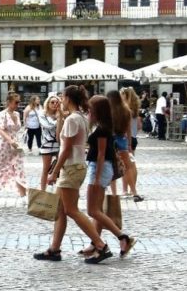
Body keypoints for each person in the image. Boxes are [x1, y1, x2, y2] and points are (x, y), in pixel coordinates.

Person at [36, 85, 105, 262]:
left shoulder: (73, 119)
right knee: (59, 210)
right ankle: (54, 249)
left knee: (72, 210)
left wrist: (54, 172)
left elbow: (65, 149)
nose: (61, 100)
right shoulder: (80, 117)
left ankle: (100, 245)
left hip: (71, 168)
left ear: (68, 99)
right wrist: (60, 117)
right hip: (75, 166)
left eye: (63, 97)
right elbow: (61, 138)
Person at [73, 95, 131, 261]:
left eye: (91, 108)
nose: (88, 110)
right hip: (99, 167)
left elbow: (101, 154)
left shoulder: (103, 128)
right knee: (96, 210)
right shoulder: (102, 126)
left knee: (93, 210)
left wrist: (97, 178)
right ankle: (96, 243)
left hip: (99, 168)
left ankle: (121, 237)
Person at [0, 92, 28, 198]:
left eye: (19, 102)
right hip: (3, 145)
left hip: (15, 145)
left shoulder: (17, 114)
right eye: (16, 102)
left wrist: (15, 141)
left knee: (19, 168)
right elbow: (0, 129)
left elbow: (17, 129)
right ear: (9, 102)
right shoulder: (2, 114)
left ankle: (23, 196)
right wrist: (10, 141)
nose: (18, 104)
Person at [119, 86, 143, 201]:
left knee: (126, 166)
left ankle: (126, 190)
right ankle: (131, 188)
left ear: (125, 96)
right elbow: (139, 126)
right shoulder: (134, 109)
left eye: (121, 94)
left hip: (126, 139)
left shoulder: (124, 109)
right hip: (133, 138)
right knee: (132, 165)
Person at [36, 95, 62, 191]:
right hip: (47, 143)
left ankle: (52, 186)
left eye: (57, 102)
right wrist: (59, 119)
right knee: (46, 168)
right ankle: (42, 190)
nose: (55, 104)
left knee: (59, 168)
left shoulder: (61, 114)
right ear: (47, 103)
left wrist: (60, 117)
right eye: (52, 102)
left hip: (59, 143)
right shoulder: (42, 114)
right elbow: (48, 125)